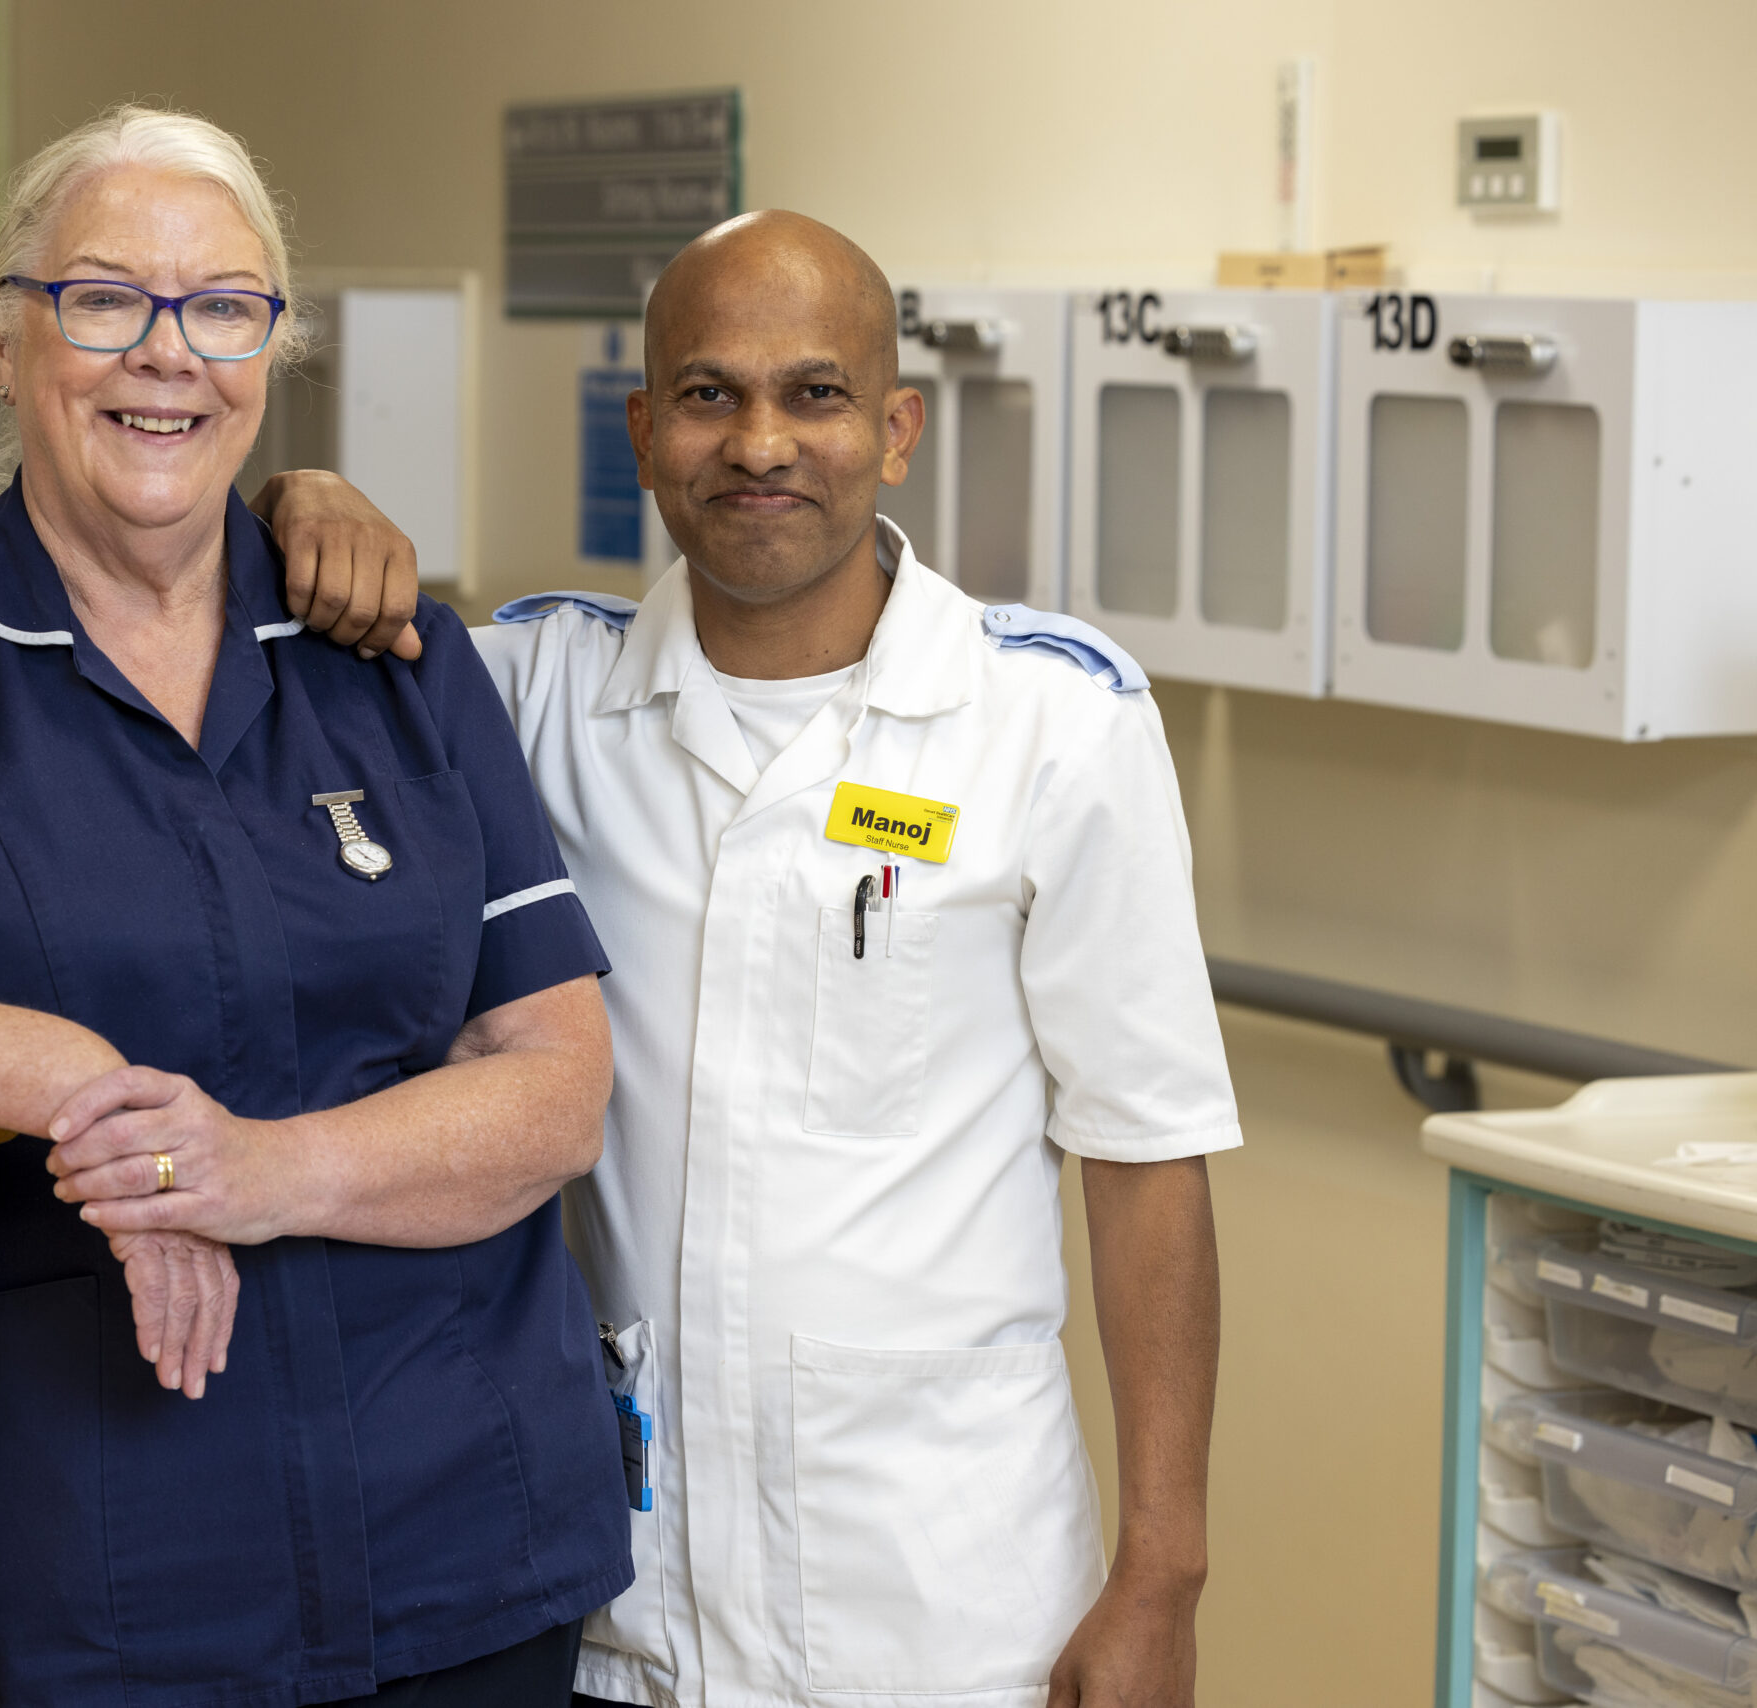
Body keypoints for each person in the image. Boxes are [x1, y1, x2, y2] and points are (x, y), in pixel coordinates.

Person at [0, 106, 632, 1707]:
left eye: (221, 306)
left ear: (269, 352)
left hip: (467, 1552)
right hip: (105, 1593)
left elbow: (555, 1087)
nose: (167, 355)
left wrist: (260, 1173)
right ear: (3, 338)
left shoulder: (397, 659)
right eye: (103, 300)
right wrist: (75, 1079)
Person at [236, 211, 1238, 1708]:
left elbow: (1147, 1157)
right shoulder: (536, 693)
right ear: (644, 433)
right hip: (624, 1610)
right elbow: (272, 613)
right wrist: (297, 494)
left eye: (815, 394)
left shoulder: (1055, 724)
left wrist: (1162, 1570)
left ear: (896, 430)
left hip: (947, 1613)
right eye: (708, 395)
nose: (760, 441)